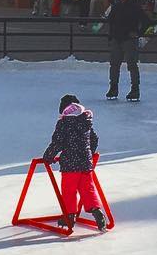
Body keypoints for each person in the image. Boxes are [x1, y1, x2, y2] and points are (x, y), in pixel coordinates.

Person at [42, 94, 108, 232]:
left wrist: (48, 156)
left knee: (69, 190)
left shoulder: (64, 123)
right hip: (85, 164)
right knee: (88, 189)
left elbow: (57, 142)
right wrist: (89, 154)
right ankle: (97, 212)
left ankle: (69, 216)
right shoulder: (85, 121)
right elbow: (94, 140)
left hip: (70, 164)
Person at [106, 0, 142, 102]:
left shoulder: (135, 8)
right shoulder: (116, 7)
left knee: (132, 65)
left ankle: (135, 89)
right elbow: (110, 20)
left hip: (129, 40)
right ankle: (113, 88)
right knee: (114, 65)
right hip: (117, 39)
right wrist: (111, 35)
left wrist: (138, 33)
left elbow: (147, 21)